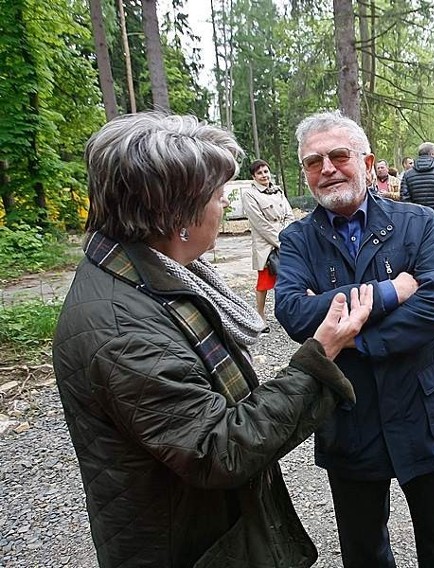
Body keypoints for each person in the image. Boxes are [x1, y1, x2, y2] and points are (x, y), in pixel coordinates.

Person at [52, 112, 374, 568]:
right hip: (191, 547)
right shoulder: (125, 331)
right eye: (219, 197)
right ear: (176, 213)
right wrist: (319, 355)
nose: (225, 208)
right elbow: (218, 448)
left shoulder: (148, 277)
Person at [275, 111, 434, 568]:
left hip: (422, 409)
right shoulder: (297, 239)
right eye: (312, 161)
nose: (326, 168)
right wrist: (391, 291)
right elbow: (292, 312)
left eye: (338, 156)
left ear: (367, 161)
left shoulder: (415, 222)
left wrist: (351, 339)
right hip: (348, 413)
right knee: (363, 550)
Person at [242, 159, 295, 326]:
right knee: (264, 282)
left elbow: (289, 215)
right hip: (266, 244)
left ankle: (287, 312)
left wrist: (286, 236)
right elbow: (260, 223)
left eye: (265, 171)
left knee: (287, 278)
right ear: (253, 176)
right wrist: (280, 241)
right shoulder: (249, 194)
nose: (264, 175)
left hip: (284, 240)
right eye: (259, 173)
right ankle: (260, 313)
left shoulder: (277, 191)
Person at [400, 141, 434, 244]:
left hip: (417, 222)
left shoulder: (407, 175)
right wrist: (433, 215)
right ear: (432, 154)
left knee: (420, 254)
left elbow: (405, 199)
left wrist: (418, 216)